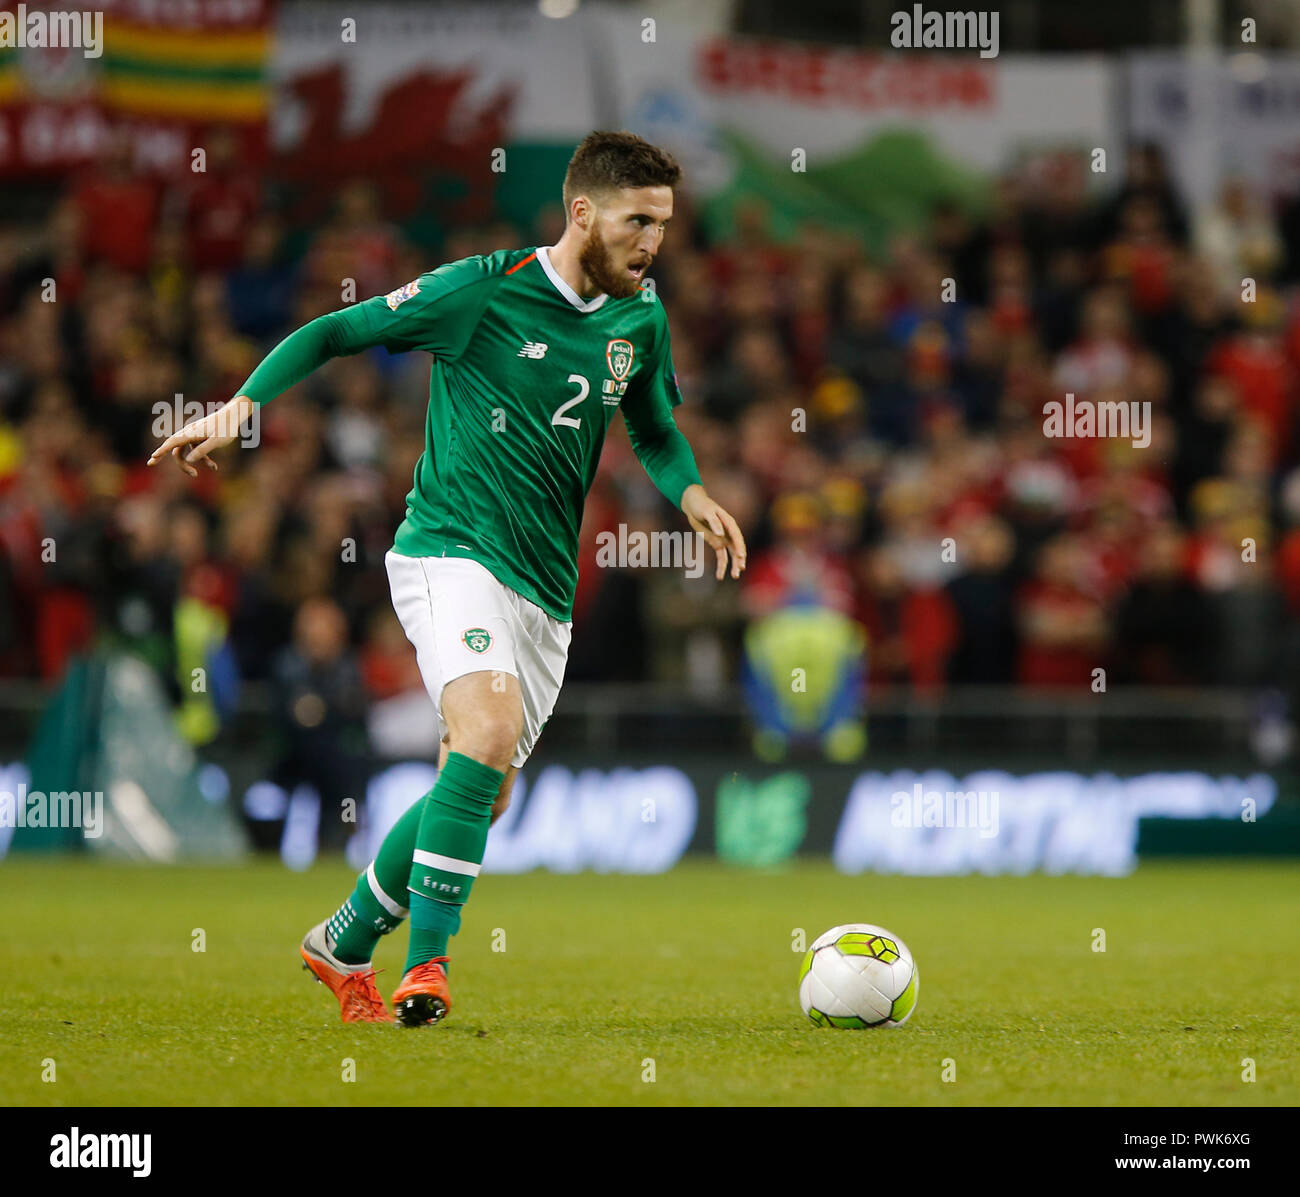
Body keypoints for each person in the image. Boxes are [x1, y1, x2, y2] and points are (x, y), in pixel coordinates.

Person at [147, 131, 747, 1026]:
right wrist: (245, 405)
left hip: (544, 593)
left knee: (481, 787)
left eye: (662, 223)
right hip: (449, 551)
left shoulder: (640, 319)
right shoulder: (483, 290)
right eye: (638, 220)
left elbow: (653, 425)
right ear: (582, 211)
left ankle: (343, 940)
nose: (653, 241)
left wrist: (691, 491)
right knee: (489, 728)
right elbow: (341, 328)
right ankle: (427, 968)